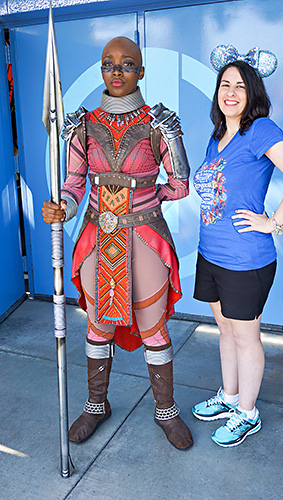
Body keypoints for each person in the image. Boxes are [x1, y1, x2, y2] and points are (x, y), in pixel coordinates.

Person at [42, 36, 193, 450]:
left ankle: (166, 410)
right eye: (109, 63)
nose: (117, 70)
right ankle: (96, 404)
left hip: (144, 237)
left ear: (141, 71)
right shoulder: (82, 124)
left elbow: (180, 183)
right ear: (101, 70)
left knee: (153, 327)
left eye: (127, 64)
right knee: (99, 326)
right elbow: (74, 183)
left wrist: (152, 197)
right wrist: (64, 208)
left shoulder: (160, 122)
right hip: (97, 237)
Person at [191, 52, 283, 448]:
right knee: (225, 331)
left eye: (240, 86)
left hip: (246, 259)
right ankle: (229, 397)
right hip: (210, 253)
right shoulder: (218, 135)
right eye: (225, 85)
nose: (231, 92)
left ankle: (248, 413)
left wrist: (273, 221)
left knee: (247, 337)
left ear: (253, 93)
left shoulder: (260, 129)